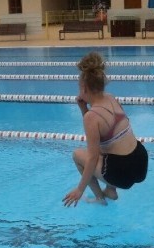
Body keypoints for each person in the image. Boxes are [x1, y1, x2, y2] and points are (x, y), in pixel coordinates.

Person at [63, 51, 148, 206]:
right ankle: (111, 190)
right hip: (140, 161)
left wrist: (79, 189)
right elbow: (101, 136)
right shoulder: (111, 97)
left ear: (84, 88)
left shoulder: (92, 117)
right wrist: (84, 108)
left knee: (78, 155)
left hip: (122, 173)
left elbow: (92, 157)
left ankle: (100, 198)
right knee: (107, 144)